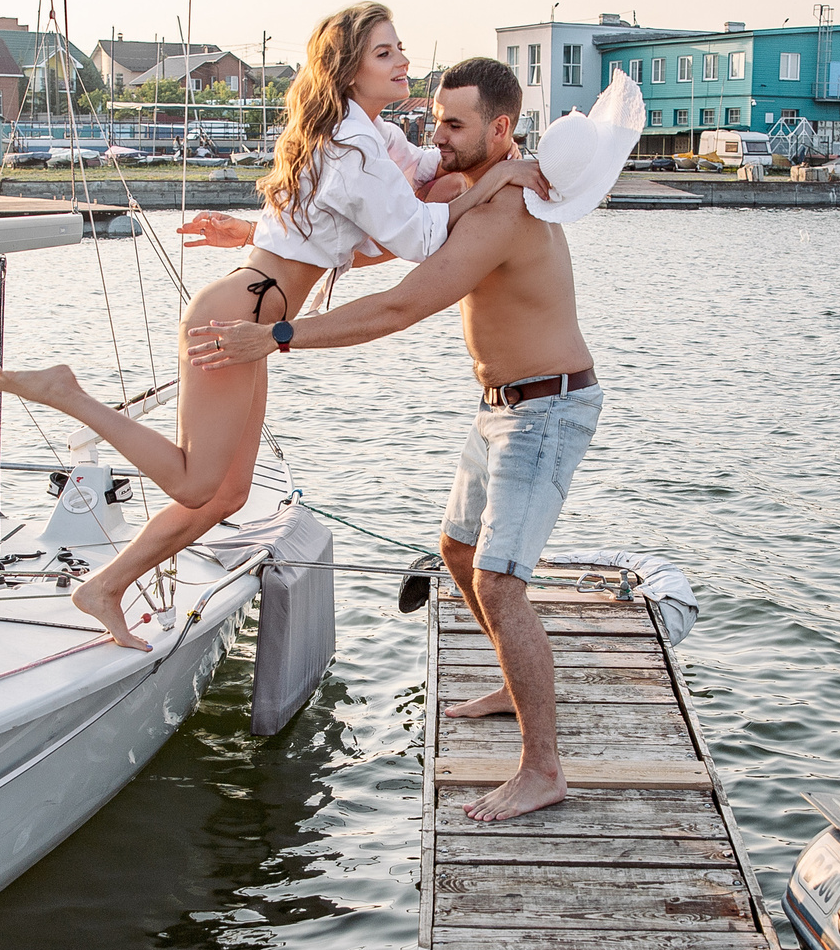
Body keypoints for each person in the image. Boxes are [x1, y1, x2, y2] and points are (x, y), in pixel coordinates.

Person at [0, 2, 545, 650]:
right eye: (385, 52)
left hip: (252, 306)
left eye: (400, 49)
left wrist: (486, 158)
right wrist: (495, 178)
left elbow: (423, 175)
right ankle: (67, 391)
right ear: (350, 69)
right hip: (238, 314)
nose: (403, 62)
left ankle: (105, 587)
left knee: (226, 494)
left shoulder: (370, 136)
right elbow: (419, 237)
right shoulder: (355, 148)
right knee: (196, 481)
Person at [186, 57, 636, 821]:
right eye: (435, 120)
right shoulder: (480, 184)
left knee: (499, 582)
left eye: (454, 125)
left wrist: (278, 335)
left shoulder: (507, 209)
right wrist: (255, 233)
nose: (437, 138)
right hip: (503, 404)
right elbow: (377, 236)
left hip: (548, 409)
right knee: (458, 552)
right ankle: (511, 678)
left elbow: (399, 307)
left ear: (500, 128)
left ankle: (544, 768)